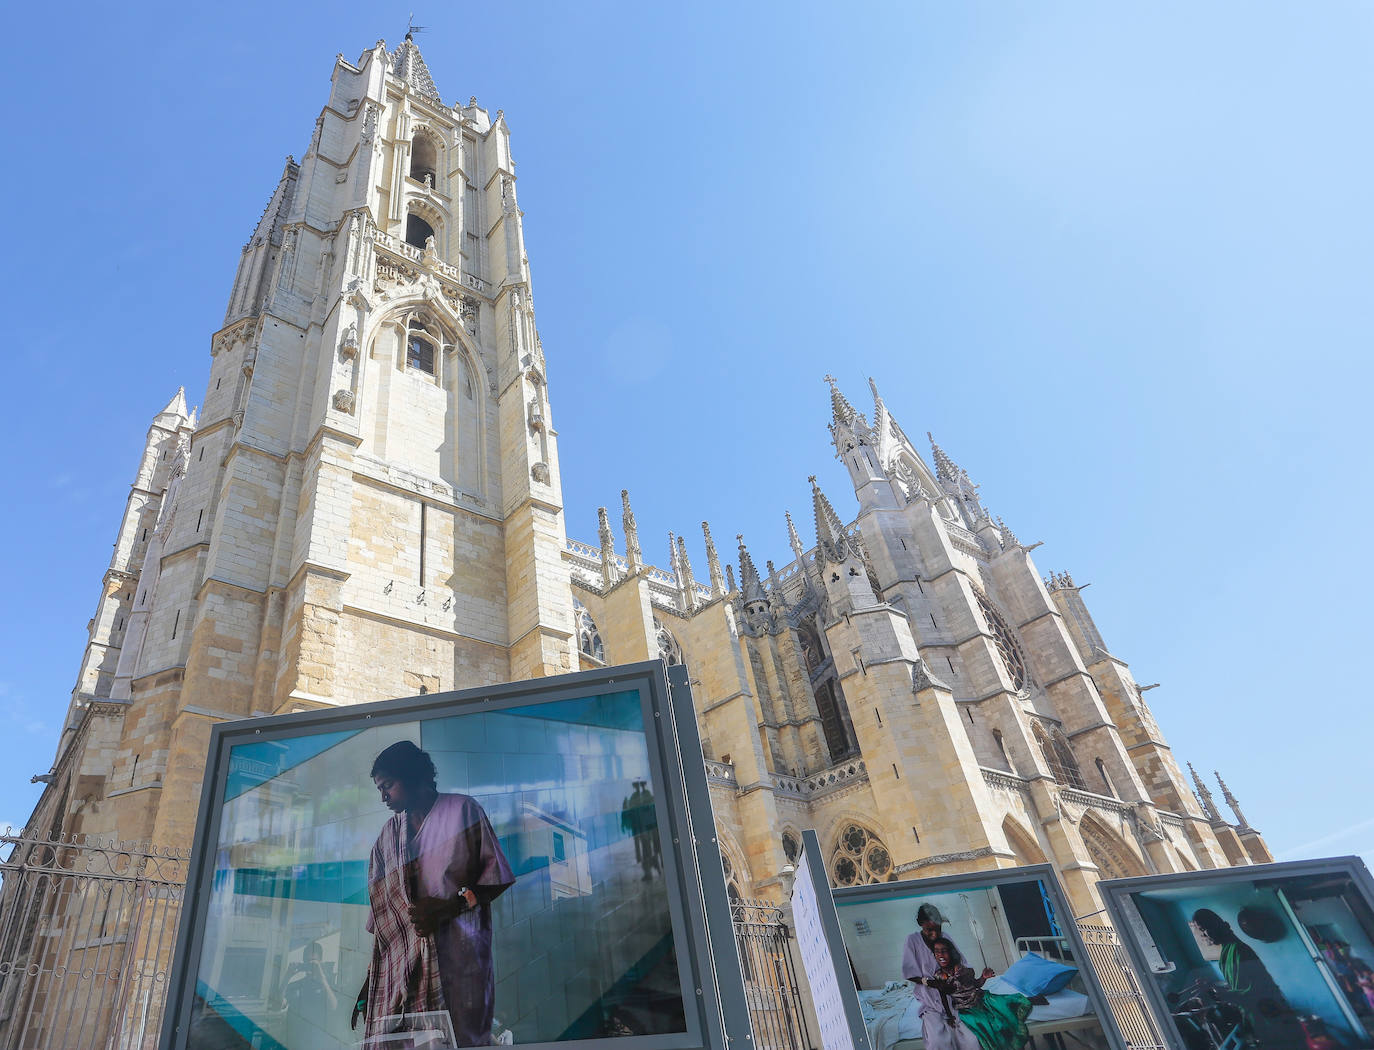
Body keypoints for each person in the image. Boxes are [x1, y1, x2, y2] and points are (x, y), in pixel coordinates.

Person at [355, 740, 515, 1047]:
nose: (384, 797)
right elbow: (386, 926)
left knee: (460, 1038)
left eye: (388, 785)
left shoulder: (462, 811)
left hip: (458, 956)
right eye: (379, 789)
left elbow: (496, 878)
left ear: (413, 776)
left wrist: (449, 906)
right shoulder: (387, 837)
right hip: (404, 973)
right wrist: (371, 982)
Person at [1190, 908, 1300, 1047]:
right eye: (1201, 931)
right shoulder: (1225, 952)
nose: (1204, 935)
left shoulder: (1239, 950)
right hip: (1256, 1018)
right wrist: (1212, 988)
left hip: (1269, 1019)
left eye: (1204, 929)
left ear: (1216, 925)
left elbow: (1252, 993)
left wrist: (1214, 991)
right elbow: (1238, 987)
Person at [901, 903, 988, 1050]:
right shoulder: (913, 940)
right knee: (938, 1042)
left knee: (972, 1040)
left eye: (938, 928)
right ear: (920, 924)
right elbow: (909, 973)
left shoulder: (945, 937)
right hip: (930, 999)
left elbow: (961, 963)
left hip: (954, 996)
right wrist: (931, 983)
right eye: (929, 930)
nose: (935, 934)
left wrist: (961, 977)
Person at [922, 938, 1031, 1050]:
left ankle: (1034, 998)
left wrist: (983, 977)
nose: (940, 954)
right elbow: (943, 997)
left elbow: (975, 984)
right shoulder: (939, 976)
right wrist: (949, 1016)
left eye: (944, 951)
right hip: (965, 1008)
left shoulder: (962, 969)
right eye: (937, 951)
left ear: (951, 952)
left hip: (980, 999)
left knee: (1008, 1004)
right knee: (985, 1023)